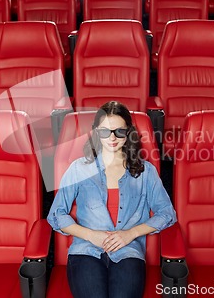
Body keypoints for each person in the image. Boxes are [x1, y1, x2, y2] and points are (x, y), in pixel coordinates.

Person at [47, 101, 177, 298]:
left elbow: (166, 213)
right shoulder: (79, 168)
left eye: (119, 131)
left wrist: (131, 233)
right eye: (105, 132)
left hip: (128, 250)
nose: (113, 138)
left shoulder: (146, 171)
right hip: (85, 250)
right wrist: (91, 235)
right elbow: (57, 214)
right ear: (96, 133)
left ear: (129, 132)